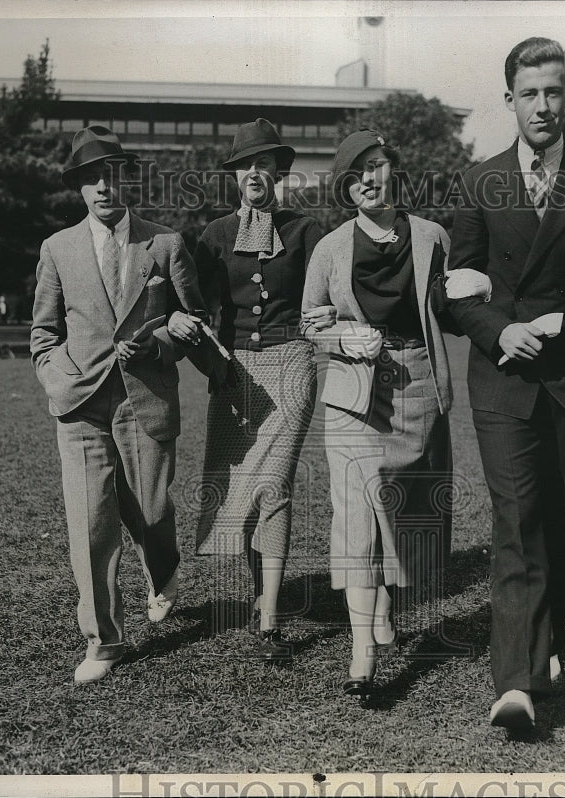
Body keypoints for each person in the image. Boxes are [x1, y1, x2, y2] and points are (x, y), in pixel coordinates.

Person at [445, 37, 565, 729]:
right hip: (501, 379)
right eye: (529, 93)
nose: (543, 106)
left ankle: (550, 639)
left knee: (559, 520)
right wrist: (500, 330)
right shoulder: (477, 182)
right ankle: (516, 684)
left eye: (554, 91)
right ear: (510, 100)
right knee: (517, 519)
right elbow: (458, 292)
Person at [302, 129, 483, 697]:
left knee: (404, 514)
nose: (369, 180)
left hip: (418, 384)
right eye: (357, 174)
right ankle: (362, 651)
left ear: (393, 173)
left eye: (378, 167)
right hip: (353, 391)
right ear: (346, 187)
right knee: (354, 512)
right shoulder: (329, 247)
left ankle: (384, 603)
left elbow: (450, 315)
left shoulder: (431, 236)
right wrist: (341, 338)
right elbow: (310, 321)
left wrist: (475, 290)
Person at [31, 125, 208, 684]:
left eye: (111, 176)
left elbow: (194, 323)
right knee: (91, 522)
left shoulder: (165, 243)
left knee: (152, 510)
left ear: (128, 180)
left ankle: (164, 568)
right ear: (80, 190)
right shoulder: (57, 249)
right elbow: (42, 334)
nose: (103, 188)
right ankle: (103, 640)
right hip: (81, 403)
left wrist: (159, 340)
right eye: (91, 180)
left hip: (146, 398)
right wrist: (59, 379)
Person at [193, 119, 333, 662]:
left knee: (274, 484)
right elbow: (194, 306)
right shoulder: (214, 236)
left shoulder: (306, 231)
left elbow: (328, 295)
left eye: (264, 164)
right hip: (235, 375)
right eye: (244, 165)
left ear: (279, 171)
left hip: (292, 365)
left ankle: (270, 615)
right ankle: (260, 594)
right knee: (243, 490)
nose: (254, 173)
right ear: (234, 175)